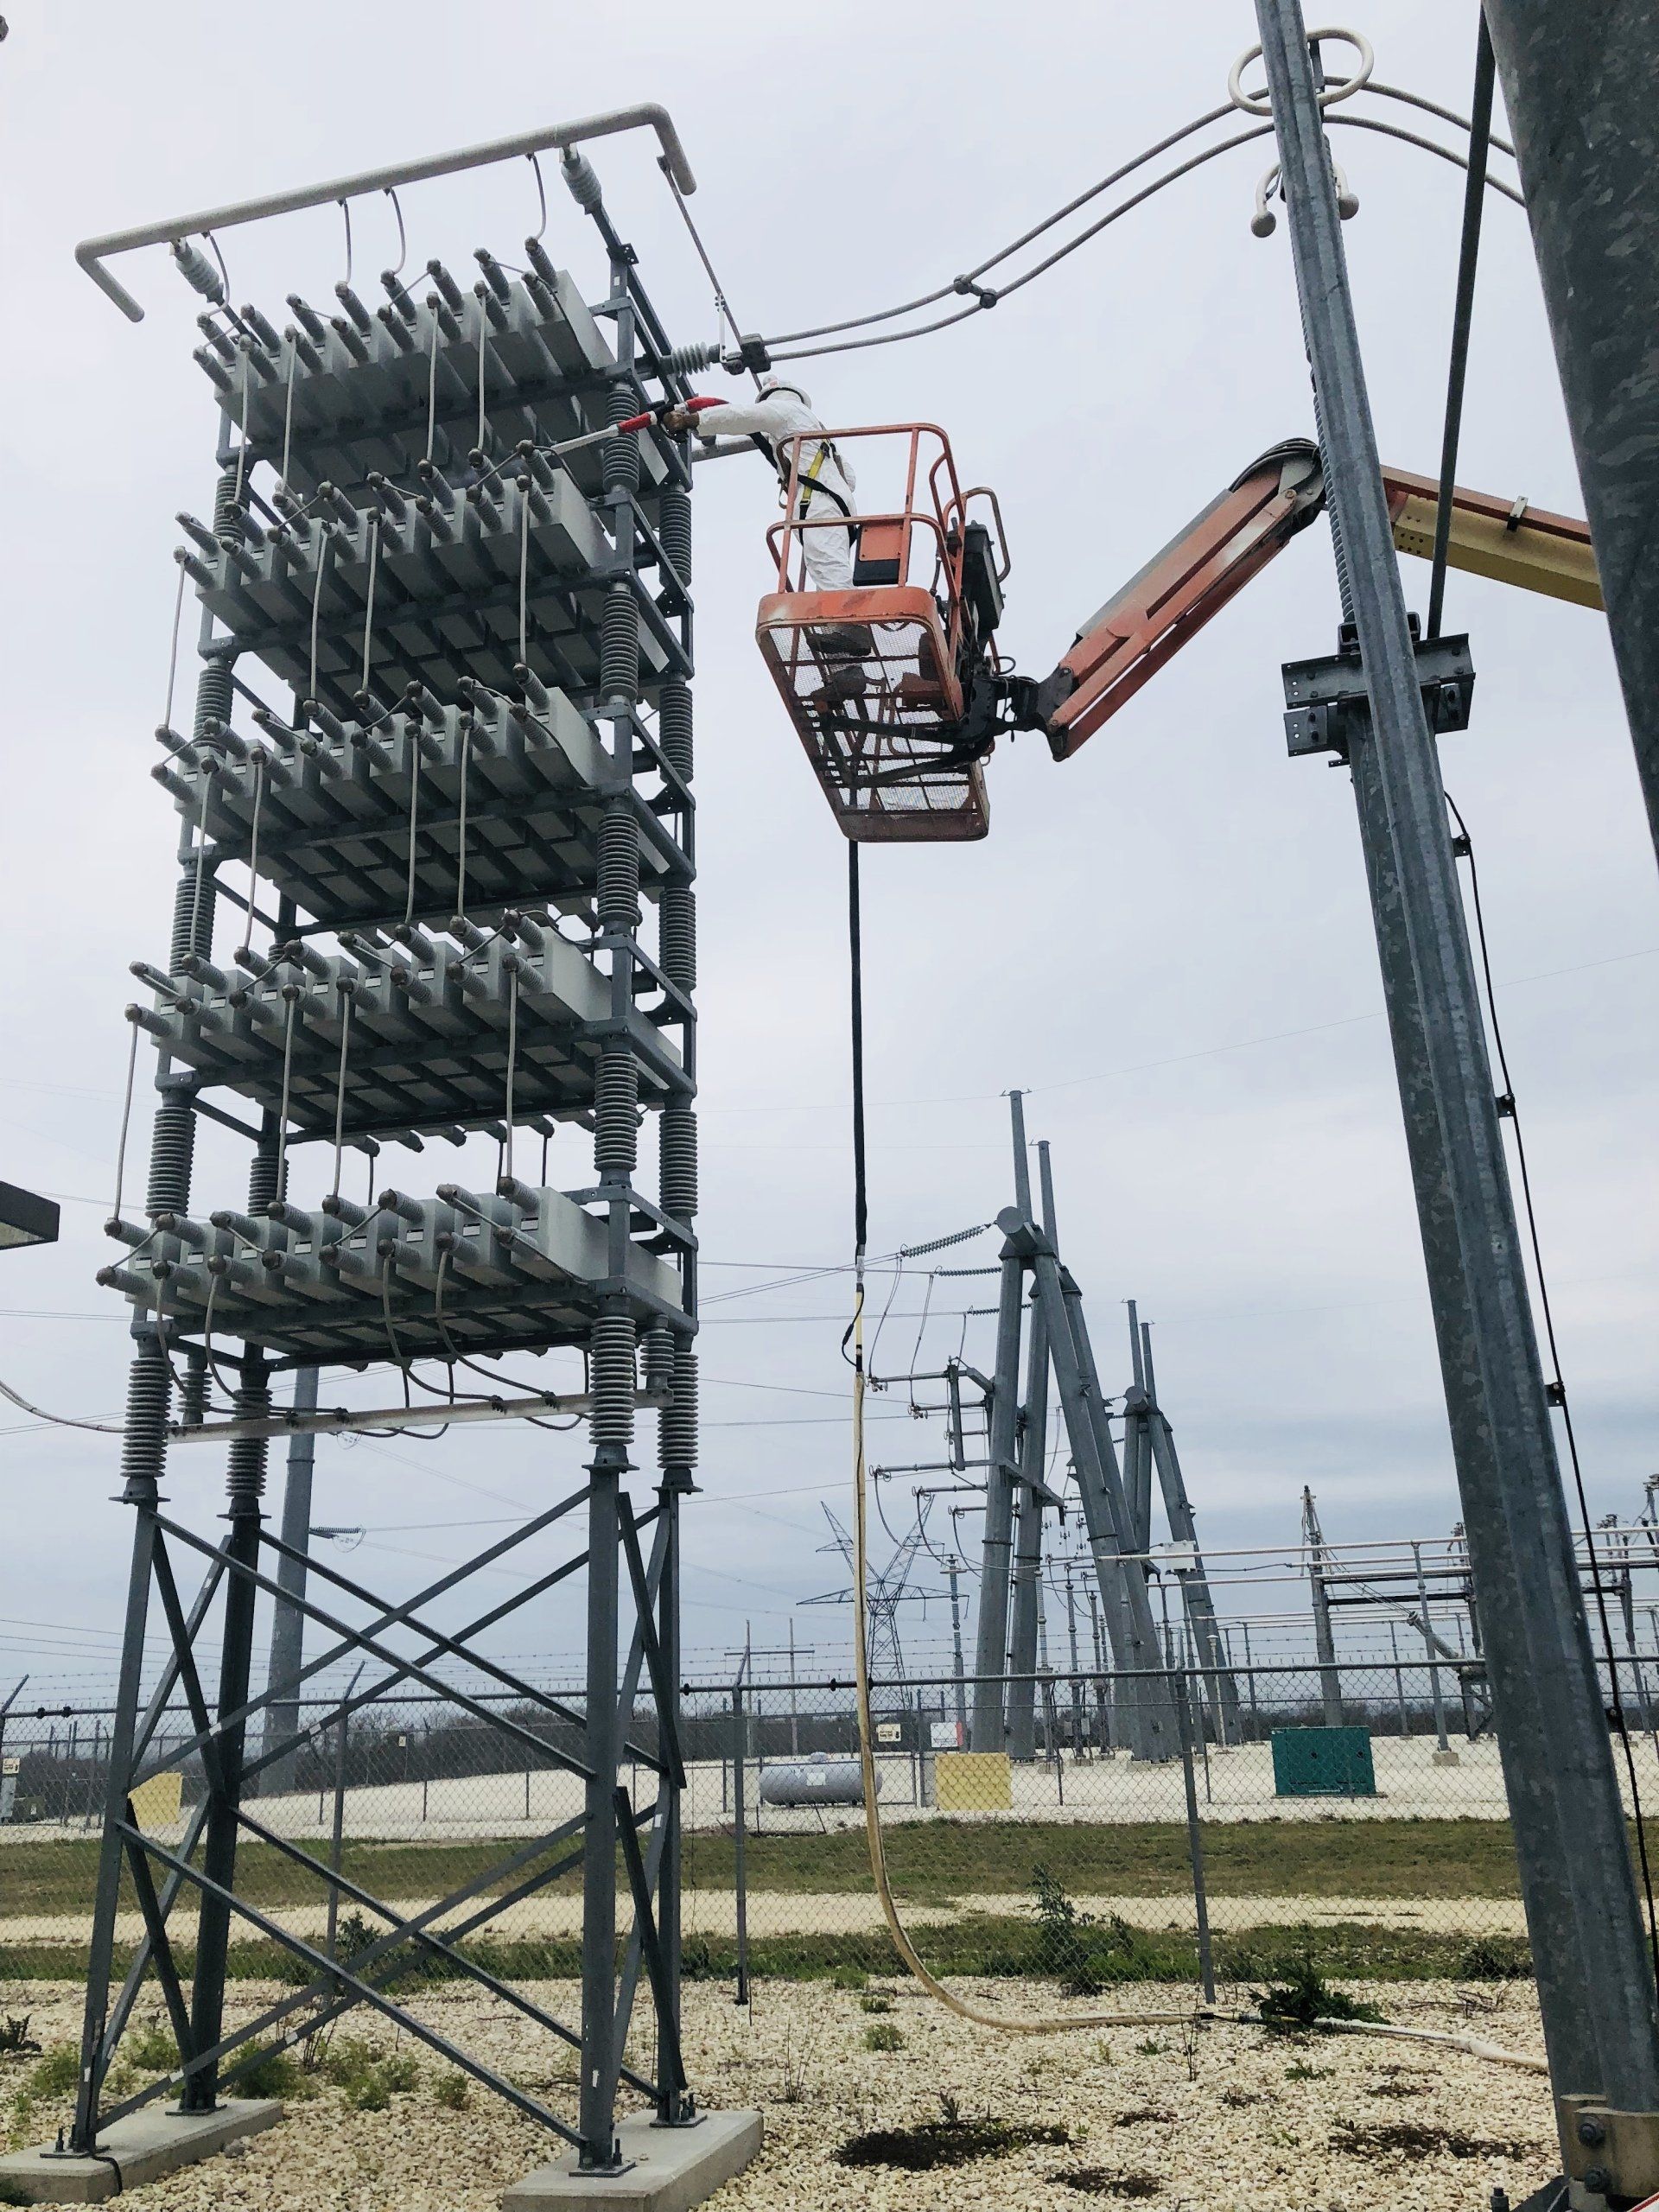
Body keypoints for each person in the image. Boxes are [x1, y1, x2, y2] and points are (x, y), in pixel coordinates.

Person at [664, 378, 862, 600]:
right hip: (840, 506)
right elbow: (850, 480)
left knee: (826, 566)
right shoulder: (818, 432)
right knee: (829, 567)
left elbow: (743, 416)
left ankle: (844, 624)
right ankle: (838, 622)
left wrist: (693, 420)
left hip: (817, 502)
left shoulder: (784, 410)